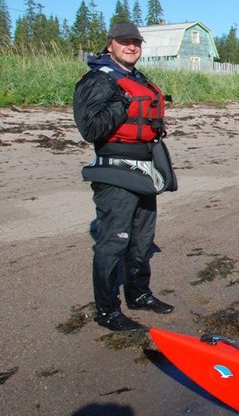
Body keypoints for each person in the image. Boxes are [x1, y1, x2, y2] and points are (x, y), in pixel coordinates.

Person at [73, 21, 177, 332]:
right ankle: (106, 311)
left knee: (143, 239)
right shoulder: (98, 80)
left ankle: (139, 293)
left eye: (136, 42)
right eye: (124, 41)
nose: (131, 46)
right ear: (110, 45)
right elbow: (90, 129)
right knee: (113, 243)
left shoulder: (136, 78)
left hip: (143, 170)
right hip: (114, 172)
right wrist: (123, 102)